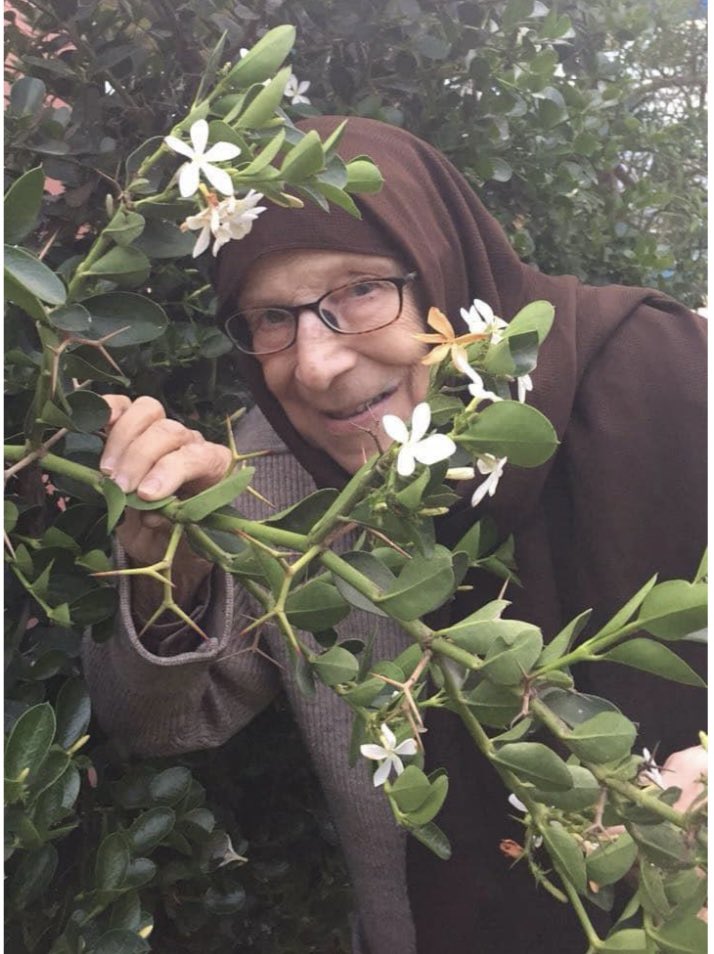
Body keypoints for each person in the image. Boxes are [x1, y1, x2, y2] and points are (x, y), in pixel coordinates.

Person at [83, 117, 707, 954]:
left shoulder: (670, 372)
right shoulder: (265, 476)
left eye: (360, 292)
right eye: (271, 317)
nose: (315, 364)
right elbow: (159, 725)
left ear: (443, 265)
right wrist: (168, 562)